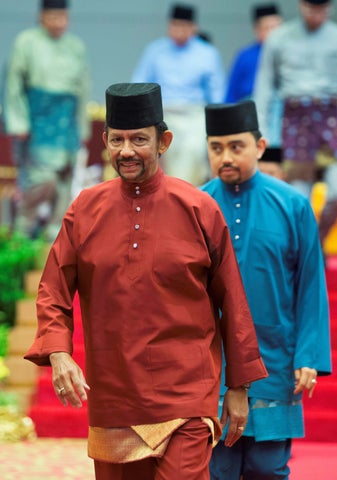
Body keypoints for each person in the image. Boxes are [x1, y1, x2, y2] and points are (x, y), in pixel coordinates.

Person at [24, 83, 267, 479]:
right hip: (114, 395)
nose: (126, 151)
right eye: (117, 140)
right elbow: (53, 289)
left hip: (187, 392)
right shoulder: (85, 210)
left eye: (139, 139)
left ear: (163, 141)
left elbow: (233, 301)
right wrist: (59, 352)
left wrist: (238, 387)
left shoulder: (198, 208)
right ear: (104, 141)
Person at [201, 100, 331, 480]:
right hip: (213, 361)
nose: (226, 157)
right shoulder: (195, 205)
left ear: (259, 146)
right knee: (217, 467)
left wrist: (309, 355)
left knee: (267, 468)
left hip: (274, 357)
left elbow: (310, 285)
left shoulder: (293, 205)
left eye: (236, 147)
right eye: (216, 148)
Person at [253, 0, 337, 244]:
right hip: (295, 121)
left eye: (322, 9)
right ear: (300, 5)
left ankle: (317, 237)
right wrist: (260, 135)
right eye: (311, 9)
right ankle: (304, 248)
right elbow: (264, 88)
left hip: (331, 117)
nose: (317, 15)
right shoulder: (278, 39)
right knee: (298, 199)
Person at [3, 0, 90, 240]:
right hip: (38, 122)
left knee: (64, 185)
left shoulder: (75, 46)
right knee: (42, 181)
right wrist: (19, 122)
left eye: (63, 17)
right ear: (41, 16)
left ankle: (55, 240)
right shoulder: (26, 42)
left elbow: (83, 89)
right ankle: (22, 230)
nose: (58, 23)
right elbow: (13, 84)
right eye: (53, 17)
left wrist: (82, 129)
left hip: (67, 123)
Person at [132, 3, 225, 186]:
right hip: (162, 114)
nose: (179, 30)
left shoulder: (207, 53)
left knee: (195, 155)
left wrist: (218, 124)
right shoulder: (155, 51)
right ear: (169, 26)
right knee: (161, 159)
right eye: (175, 25)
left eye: (184, 26)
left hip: (195, 115)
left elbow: (217, 93)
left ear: (194, 28)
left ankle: (189, 199)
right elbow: (139, 84)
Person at [225, 4, 283, 146]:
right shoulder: (245, 56)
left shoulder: (291, 55)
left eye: (278, 27)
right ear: (257, 30)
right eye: (268, 28)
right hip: (251, 115)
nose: (274, 33)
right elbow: (231, 95)